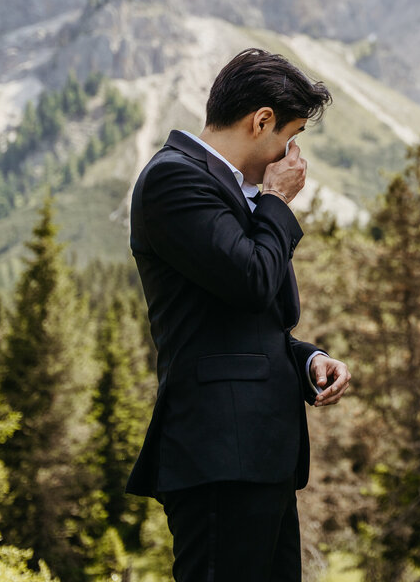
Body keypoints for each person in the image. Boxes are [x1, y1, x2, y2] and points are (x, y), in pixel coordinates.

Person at [126, 48, 352, 582]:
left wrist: (308, 360)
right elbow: (250, 281)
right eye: (289, 136)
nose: (291, 153)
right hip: (219, 454)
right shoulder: (174, 179)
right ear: (261, 121)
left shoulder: (234, 191)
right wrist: (276, 201)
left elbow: (253, 323)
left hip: (260, 455)